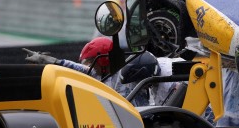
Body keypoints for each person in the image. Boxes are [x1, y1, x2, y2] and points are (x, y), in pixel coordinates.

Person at [23, 37, 159, 106]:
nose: (91, 66)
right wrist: (47, 60)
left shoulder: (128, 75)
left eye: (94, 62)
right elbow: (75, 68)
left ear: (104, 61)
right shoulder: (99, 72)